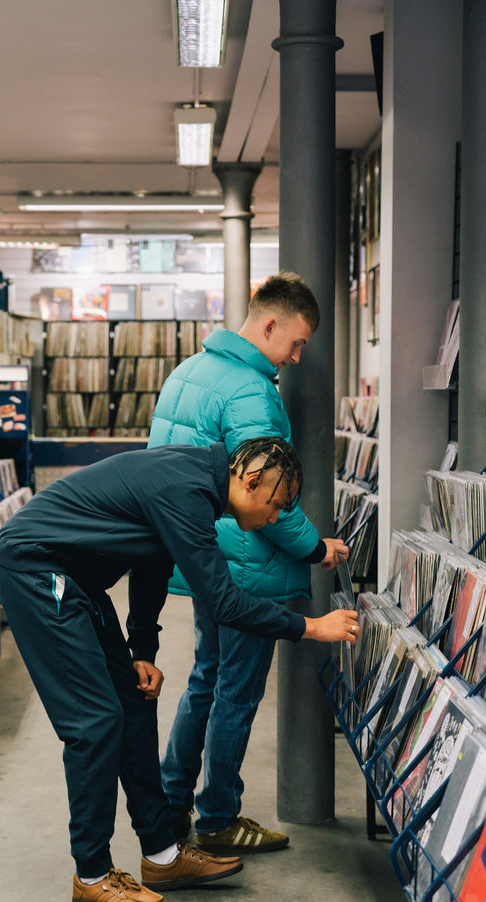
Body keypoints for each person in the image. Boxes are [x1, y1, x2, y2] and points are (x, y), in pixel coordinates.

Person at [0, 438, 358, 902]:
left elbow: (152, 562)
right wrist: (310, 628)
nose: (274, 520)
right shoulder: (187, 491)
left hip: (77, 577)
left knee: (135, 702)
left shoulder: (199, 483)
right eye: (274, 506)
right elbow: (224, 602)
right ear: (250, 481)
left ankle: (162, 854)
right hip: (39, 571)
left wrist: (141, 650)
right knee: (95, 722)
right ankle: (92, 875)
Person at [149, 271, 350, 854]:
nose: (295, 355)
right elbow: (269, 494)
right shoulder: (250, 392)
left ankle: (172, 803)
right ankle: (218, 819)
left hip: (205, 559)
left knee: (205, 680)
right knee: (235, 691)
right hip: (247, 566)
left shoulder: (188, 372)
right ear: (269, 324)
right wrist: (316, 547)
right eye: (296, 341)